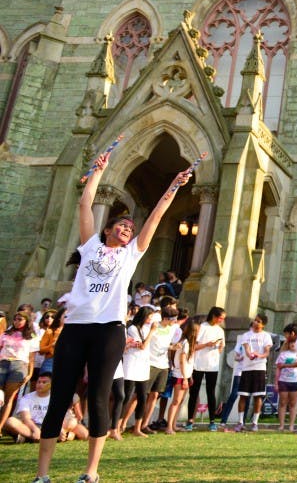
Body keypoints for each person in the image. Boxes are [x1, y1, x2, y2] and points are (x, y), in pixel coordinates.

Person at [34, 149, 190, 483]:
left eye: (129, 227)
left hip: (108, 331)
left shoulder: (132, 255)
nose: (127, 228)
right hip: (75, 329)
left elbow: (155, 218)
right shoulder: (90, 246)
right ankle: (42, 475)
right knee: (59, 397)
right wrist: (98, 173)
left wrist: (173, 187)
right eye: (122, 224)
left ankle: (91, 472)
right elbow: (84, 205)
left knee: (100, 397)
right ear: (108, 230)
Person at [3, 372, 87, 443]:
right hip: (32, 426)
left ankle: (28, 437)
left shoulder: (57, 397)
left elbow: (60, 417)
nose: (40, 384)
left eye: (44, 382)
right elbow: (26, 419)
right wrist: (35, 430)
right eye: (38, 382)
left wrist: (60, 429)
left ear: (51, 385)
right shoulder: (27, 398)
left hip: (52, 426)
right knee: (10, 421)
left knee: (77, 427)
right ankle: (44, 437)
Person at [186, 306, 226, 432]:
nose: (221, 320)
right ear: (213, 316)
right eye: (220, 318)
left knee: (211, 392)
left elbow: (222, 346)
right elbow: (193, 346)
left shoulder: (220, 330)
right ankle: (190, 420)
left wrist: (218, 347)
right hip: (198, 364)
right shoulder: (202, 327)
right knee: (194, 392)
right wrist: (206, 345)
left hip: (212, 366)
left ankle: (212, 420)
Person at [119, 306, 155, 437]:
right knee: (127, 396)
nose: (151, 319)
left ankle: (137, 428)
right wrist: (152, 332)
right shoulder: (133, 328)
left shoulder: (147, 328)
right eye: (149, 316)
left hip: (143, 365)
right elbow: (143, 345)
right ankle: (118, 426)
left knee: (142, 397)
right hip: (131, 364)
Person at [234, 314, 272, 432]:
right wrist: (250, 354)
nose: (255, 323)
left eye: (258, 321)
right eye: (255, 320)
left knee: (258, 396)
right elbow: (246, 349)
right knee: (243, 395)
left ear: (263, 324)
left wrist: (259, 355)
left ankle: (255, 422)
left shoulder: (266, 336)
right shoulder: (246, 335)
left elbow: (266, 352)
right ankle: (240, 422)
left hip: (259, 368)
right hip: (246, 369)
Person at [1, 311, 37, 431]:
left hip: (19, 365)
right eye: (15, 319)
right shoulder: (6, 333)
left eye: (20, 319)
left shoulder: (31, 336)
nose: (17, 322)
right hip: (3, 362)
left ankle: (0, 427)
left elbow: (32, 358)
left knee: (8, 398)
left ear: (26, 321)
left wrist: (30, 373)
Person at [165, 318, 198, 435]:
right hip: (180, 375)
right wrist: (185, 378)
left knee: (180, 401)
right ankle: (169, 426)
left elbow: (189, 362)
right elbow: (182, 361)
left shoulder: (188, 343)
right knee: (176, 401)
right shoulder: (185, 343)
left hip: (185, 375)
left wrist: (189, 376)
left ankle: (173, 424)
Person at [276, 337, 297, 431]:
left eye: (295, 343)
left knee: (293, 404)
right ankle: (281, 425)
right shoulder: (283, 354)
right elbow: (278, 369)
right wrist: (276, 383)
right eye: (291, 342)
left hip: (295, 381)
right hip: (283, 381)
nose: (293, 344)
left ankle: (291, 425)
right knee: (283, 403)